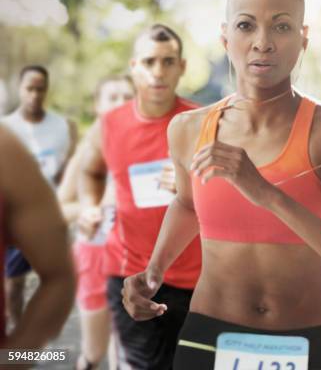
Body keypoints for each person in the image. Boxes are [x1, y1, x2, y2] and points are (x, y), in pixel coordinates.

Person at [121, 0, 321, 369]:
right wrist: (153, 272)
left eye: (281, 27)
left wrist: (269, 195)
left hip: (305, 342)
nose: (263, 43)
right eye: (246, 26)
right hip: (208, 339)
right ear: (226, 38)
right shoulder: (187, 129)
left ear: (303, 38)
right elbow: (189, 205)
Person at [79, 24, 201, 369]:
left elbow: (233, 194)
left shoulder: (202, 122)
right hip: (130, 274)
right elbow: (90, 170)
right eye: (149, 62)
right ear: (134, 67)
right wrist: (90, 207)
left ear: (182, 67)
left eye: (168, 61)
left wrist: (194, 187)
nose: (158, 72)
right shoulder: (110, 124)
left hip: (195, 278)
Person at [57, 75, 135, 370]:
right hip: (95, 257)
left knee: (125, 350)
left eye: (127, 96)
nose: (121, 103)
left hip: (135, 261)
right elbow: (60, 209)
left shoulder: (151, 148)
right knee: (94, 351)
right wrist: (88, 210)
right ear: (97, 106)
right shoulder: (87, 153)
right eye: (112, 97)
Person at [1, 65, 77, 329]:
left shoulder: (63, 127)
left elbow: (70, 170)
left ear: (47, 89)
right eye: (29, 89)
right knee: (14, 283)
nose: (34, 94)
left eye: (40, 88)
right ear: (20, 89)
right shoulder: (5, 128)